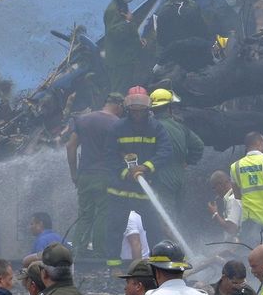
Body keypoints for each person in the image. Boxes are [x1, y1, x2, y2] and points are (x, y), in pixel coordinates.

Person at [104, 89, 172, 262]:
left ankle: (158, 265)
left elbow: (165, 152)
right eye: (134, 110)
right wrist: (126, 173)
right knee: (114, 229)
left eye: (141, 110)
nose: (137, 113)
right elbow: (109, 155)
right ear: (128, 108)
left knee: (154, 229)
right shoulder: (117, 128)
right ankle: (113, 267)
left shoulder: (156, 128)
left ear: (147, 108)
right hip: (120, 190)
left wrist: (146, 167)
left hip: (145, 189)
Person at [66, 92, 123, 258]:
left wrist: (74, 174)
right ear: (118, 105)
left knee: (84, 214)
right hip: (105, 176)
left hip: (84, 175)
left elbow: (70, 147)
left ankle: (78, 251)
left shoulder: (83, 119)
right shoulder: (117, 124)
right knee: (103, 213)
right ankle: (99, 253)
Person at [149, 88, 204, 218]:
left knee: (163, 216)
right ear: (170, 108)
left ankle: (168, 238)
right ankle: (177, 236)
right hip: (180, 178)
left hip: (160, 178)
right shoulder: (180, 127)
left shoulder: (150, 128)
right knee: (176, 215)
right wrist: (188, 161)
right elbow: (199, 146)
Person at [104, 0, 144, 95]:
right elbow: (115, 34)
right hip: (119, 61)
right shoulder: (113, 10)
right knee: (118, 92)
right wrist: (127, 22)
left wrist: (137, 41)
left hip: (125, 58)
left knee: (125, 89)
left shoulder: (121, 5)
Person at [206, 171, 244, 243]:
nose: (214, 191)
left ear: (220, 185)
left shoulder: (233, 199)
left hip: (239, 246)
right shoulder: (232, 197)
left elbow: (231, 229)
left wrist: (215, 214)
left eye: (214, 188)